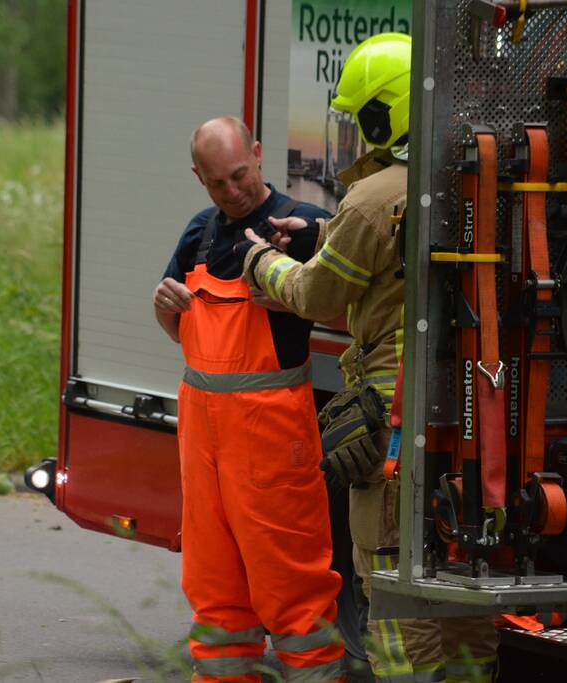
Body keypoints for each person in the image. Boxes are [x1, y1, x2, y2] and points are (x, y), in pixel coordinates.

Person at [242, 34, 500, 683]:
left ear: (383, 115)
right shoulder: (473, 175)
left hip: (392, 430)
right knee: (462, 579)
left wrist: (262, 262)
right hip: (475, 422)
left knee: (390, 579)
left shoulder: (370, 197)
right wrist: (319, 234)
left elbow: (315, 292)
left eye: (362, 114)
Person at [153, 116, 345, 683]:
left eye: (240, 175)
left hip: (271, 440)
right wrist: (165, 306)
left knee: (293, 587)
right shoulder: (200, 234)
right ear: (200, 180)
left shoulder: (300, 223)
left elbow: (333, 277)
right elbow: (182, 332)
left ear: (258, 155)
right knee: (216, 591)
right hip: (204, 441)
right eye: (218, 184)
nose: (233, 191)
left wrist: (295, 254)